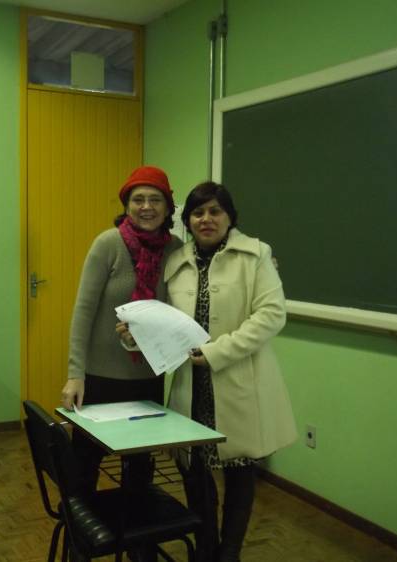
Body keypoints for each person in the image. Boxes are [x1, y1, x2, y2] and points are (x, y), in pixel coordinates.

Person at [164, 181, 297, 562]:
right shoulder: (176, 262)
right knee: (194, 468)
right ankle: (205, 546)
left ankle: (230, 552)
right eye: (197, 212)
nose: (206, 219)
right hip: (191, 384)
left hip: (237, 380)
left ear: (229, 217)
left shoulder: (255, 255)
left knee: (238, 470)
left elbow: (271, 315)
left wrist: (216, 353)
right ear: (188, 220)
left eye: (215, 211)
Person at [60, 165, 181, 500]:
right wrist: (75, 374)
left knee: (140, 466)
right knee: (85, 464)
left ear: (168, 207)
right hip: (100, 377)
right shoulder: (108, 244)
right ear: (127, 205)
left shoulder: (175, 249)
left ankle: (134, 529)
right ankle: (81, 529)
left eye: (155, 199)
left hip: (148, 377)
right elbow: (83, 312)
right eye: (138, 199)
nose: (146, 207)